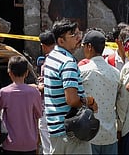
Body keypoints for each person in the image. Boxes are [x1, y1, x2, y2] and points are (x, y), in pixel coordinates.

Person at [41, 19, 96, 155]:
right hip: (72, 133)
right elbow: (71, 100)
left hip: (55, 130)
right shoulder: (68, 63)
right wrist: (89, 101)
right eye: (73, 35)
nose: (78, 38)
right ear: (61, 41)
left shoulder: (51, 58)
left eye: (78, 34)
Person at [78, 30, 120, 155]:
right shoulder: (115, 73)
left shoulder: (82, 71)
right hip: (110, 134)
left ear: (89, 47)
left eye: (83, 46)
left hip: (89, 134)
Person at [0, 56, 42, 155]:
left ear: (9, 72)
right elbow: (38, 115)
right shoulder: (34, 92)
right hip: (30, 143)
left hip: (10, 143)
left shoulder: (4, 92)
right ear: (27, 73)